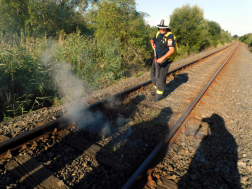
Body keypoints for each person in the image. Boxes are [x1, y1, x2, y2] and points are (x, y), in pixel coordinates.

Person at [150, 17, 175, 101]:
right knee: (153, 75)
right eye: (160, 28)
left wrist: (162, 58)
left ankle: (159, 95)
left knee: (161, 77)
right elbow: (152, 40)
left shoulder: (170, 37)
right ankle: (157, 90)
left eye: (163, 29)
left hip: (165, 60)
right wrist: (152, 44)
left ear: (167, 28)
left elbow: (172, 50)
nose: (161, 30)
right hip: (156, 58)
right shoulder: (158, 33)